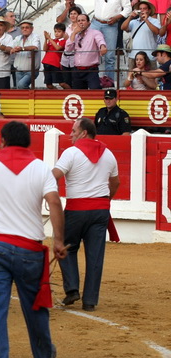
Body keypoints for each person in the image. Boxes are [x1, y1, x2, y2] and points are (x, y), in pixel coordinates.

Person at [0, 120, 66, 358]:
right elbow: (54, 202)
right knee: (35, 305)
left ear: (2, 141)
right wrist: (58, 240)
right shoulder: (40, 168)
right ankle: (43, 356)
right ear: (28, 143)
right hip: (29, 249)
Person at [53, 117, 119, 312]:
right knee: (95, 256)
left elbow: (53, 176)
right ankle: (90, 301)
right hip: (100, 211)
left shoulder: (71, 153)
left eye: (74, 131)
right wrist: (105, 201)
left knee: (66, 246)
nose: (71, 135)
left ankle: (72, 289)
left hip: (76, 210)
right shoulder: (108, 153)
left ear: (83, 133)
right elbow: (115, 183)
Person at [90, 0, 132, 83]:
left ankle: (108, 82)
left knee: (109, 56)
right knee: (90, 52)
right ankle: (91, 80)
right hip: (95, 22)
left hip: (110, 25)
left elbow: (128, 8)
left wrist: (116, 17)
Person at [64, 14, 107, 89]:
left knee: (95, 91)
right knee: (79, 95)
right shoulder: (75, 35)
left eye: (83, 20)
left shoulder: (95, 33)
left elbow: (100, 41)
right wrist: (74, 33)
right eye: (79, 21)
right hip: (77, 70)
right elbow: (68, 49)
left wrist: (102, 46)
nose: (81, 23)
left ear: (88, 23)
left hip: (91, 70)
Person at [121, 0, 161, 70]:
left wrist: (146, 20)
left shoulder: (155, 21)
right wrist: (130, 17)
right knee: (132, 79)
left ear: (148, 10)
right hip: (134, 56)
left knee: (150, 79)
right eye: (140, 9)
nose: (142, 10)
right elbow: (123, 27)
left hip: (149, 56)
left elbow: (157, 32)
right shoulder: (133, 22)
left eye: (144, 8)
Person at [11, 19, 40, 89]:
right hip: (19, 70)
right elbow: (10, 46)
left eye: (27, 27)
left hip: (31, 70)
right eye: (22, 28)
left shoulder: (35, 37)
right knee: (19, 90)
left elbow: (35, 47)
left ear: (32, 29)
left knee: (21, 86)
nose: (24, 29)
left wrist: (22, 48)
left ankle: (31, 96)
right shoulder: (18, 38)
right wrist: (12, 49)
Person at [60, 6, 82, 90]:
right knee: (66, 81)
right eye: (71, 14)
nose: (72, 16)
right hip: (65, 58)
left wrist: (68, 39)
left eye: (75, 14)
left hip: (76, 57)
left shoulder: (81, 28)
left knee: (76, 81)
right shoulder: (68, 27)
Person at [42, 23, 67, 89]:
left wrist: (49, 38)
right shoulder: (52, 40)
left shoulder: (63, 41)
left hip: (55, 64)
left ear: (63, 32)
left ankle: (71, 92)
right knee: (48, 84)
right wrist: (46, 39)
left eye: (59, 31)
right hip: (46, 62)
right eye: (55, 31)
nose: (56, 33)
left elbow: (58, 48)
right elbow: (45, 49)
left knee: (61, 83)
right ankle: (57, 95)